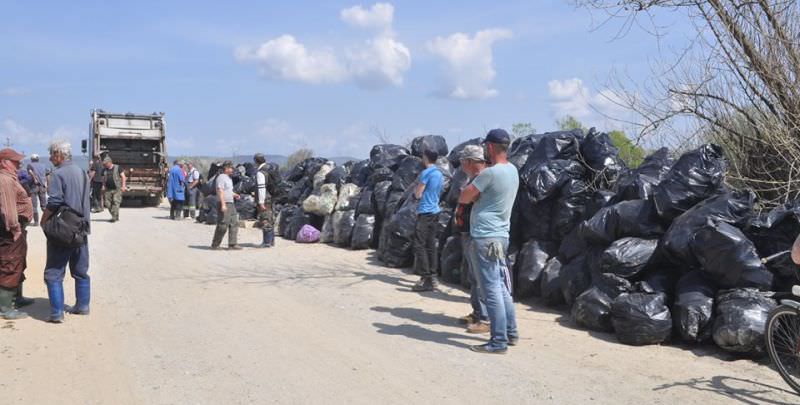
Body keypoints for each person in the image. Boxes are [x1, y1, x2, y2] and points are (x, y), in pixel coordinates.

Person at [459, 129, 519, 354]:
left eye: (486, 146)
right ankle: (511, 333)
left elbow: (464, 196)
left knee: (491, 290)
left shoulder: (490, 174)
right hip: (501, 236)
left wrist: (474, 192)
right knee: (502, 288)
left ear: (491, 147)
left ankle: (498, 341)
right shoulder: (512, 171)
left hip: (485, 237)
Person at [41, 140, 92, 323]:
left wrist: (44, 219)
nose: (50, 158)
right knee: (80, 270)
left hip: (64, 230)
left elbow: (54, 201)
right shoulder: (81, 171)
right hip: (82, 229)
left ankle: (56, 313)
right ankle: (83, 306)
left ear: (58, 154)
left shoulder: (58, 173)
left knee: (53, 273)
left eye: (52, 154)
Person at [454, 145, 490, 334]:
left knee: (481, 278)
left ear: (470, 162)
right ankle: (477, 313)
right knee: (474, 277)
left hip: (479, 233)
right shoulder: (474, 178)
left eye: (463, 162)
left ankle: (485, 318)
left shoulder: (484, 179)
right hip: (468, 232)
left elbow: (466, 198)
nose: (461, 166)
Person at [0, 148, 33, 320]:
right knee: (10, 263)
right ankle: (5, 307)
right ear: (5, 162)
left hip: (17, 227)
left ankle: (16, 298)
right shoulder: (5, 179)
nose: (19, 163)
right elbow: (8, 208)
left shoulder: (10, 177)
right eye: (15, 161)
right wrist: (15, 228)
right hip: (11, 229)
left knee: (19, 261)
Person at [411, 149, 445, 292]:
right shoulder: (439, 174)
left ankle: (426, 278)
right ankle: (433, 276)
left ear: (425, 158)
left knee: (419, 244)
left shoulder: (426, 173)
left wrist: (415, 192)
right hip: (435, 211)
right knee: (431, 245)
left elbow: (418, 194)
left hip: (425, 211)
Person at [211, 161, 241, 250]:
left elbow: (228, 191)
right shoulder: (221, 177)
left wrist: (234, 194)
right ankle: (215, 244)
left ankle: (232, 244)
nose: (232, 170)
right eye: (231, 168)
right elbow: (220, 191)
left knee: (234, 223)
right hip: (224, 203)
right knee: (223, 224)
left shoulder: (228, 178)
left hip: (231, 203)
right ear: (226, 168)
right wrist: (223, 204)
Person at [254, 153, 275, 248]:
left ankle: (267, 242)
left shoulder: (260, 172)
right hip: (271, 197)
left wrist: (261, 202)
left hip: (264, 199)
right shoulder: (270, 169)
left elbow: (261, 188)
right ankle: (271, 241)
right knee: (270, 219)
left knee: (265, 219)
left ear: (256, 161)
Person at [26, 153, 50, 226]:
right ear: (38, 159)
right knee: (44, 205)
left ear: (31, 159)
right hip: (42, 186)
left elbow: (30, 172)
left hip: (34, 186)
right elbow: (48, 175)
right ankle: (47, 220)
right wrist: (48, 186)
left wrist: (34, 179)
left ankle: (36, 222)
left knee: (34, 206)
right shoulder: (44, 165)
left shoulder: (29, 165)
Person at [101, 156, 126, 223]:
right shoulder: (104, 170)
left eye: (106, 163)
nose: (105, 165)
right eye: (104, 164)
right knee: (107, 203)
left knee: (116, 202)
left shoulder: (118, 168)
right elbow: (103, 179)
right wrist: (103, 186)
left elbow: (123, 177)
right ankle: (115, 215)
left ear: (110, 162)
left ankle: (114, 217)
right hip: (108, 189)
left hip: (117, 189)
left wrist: (123, 186)